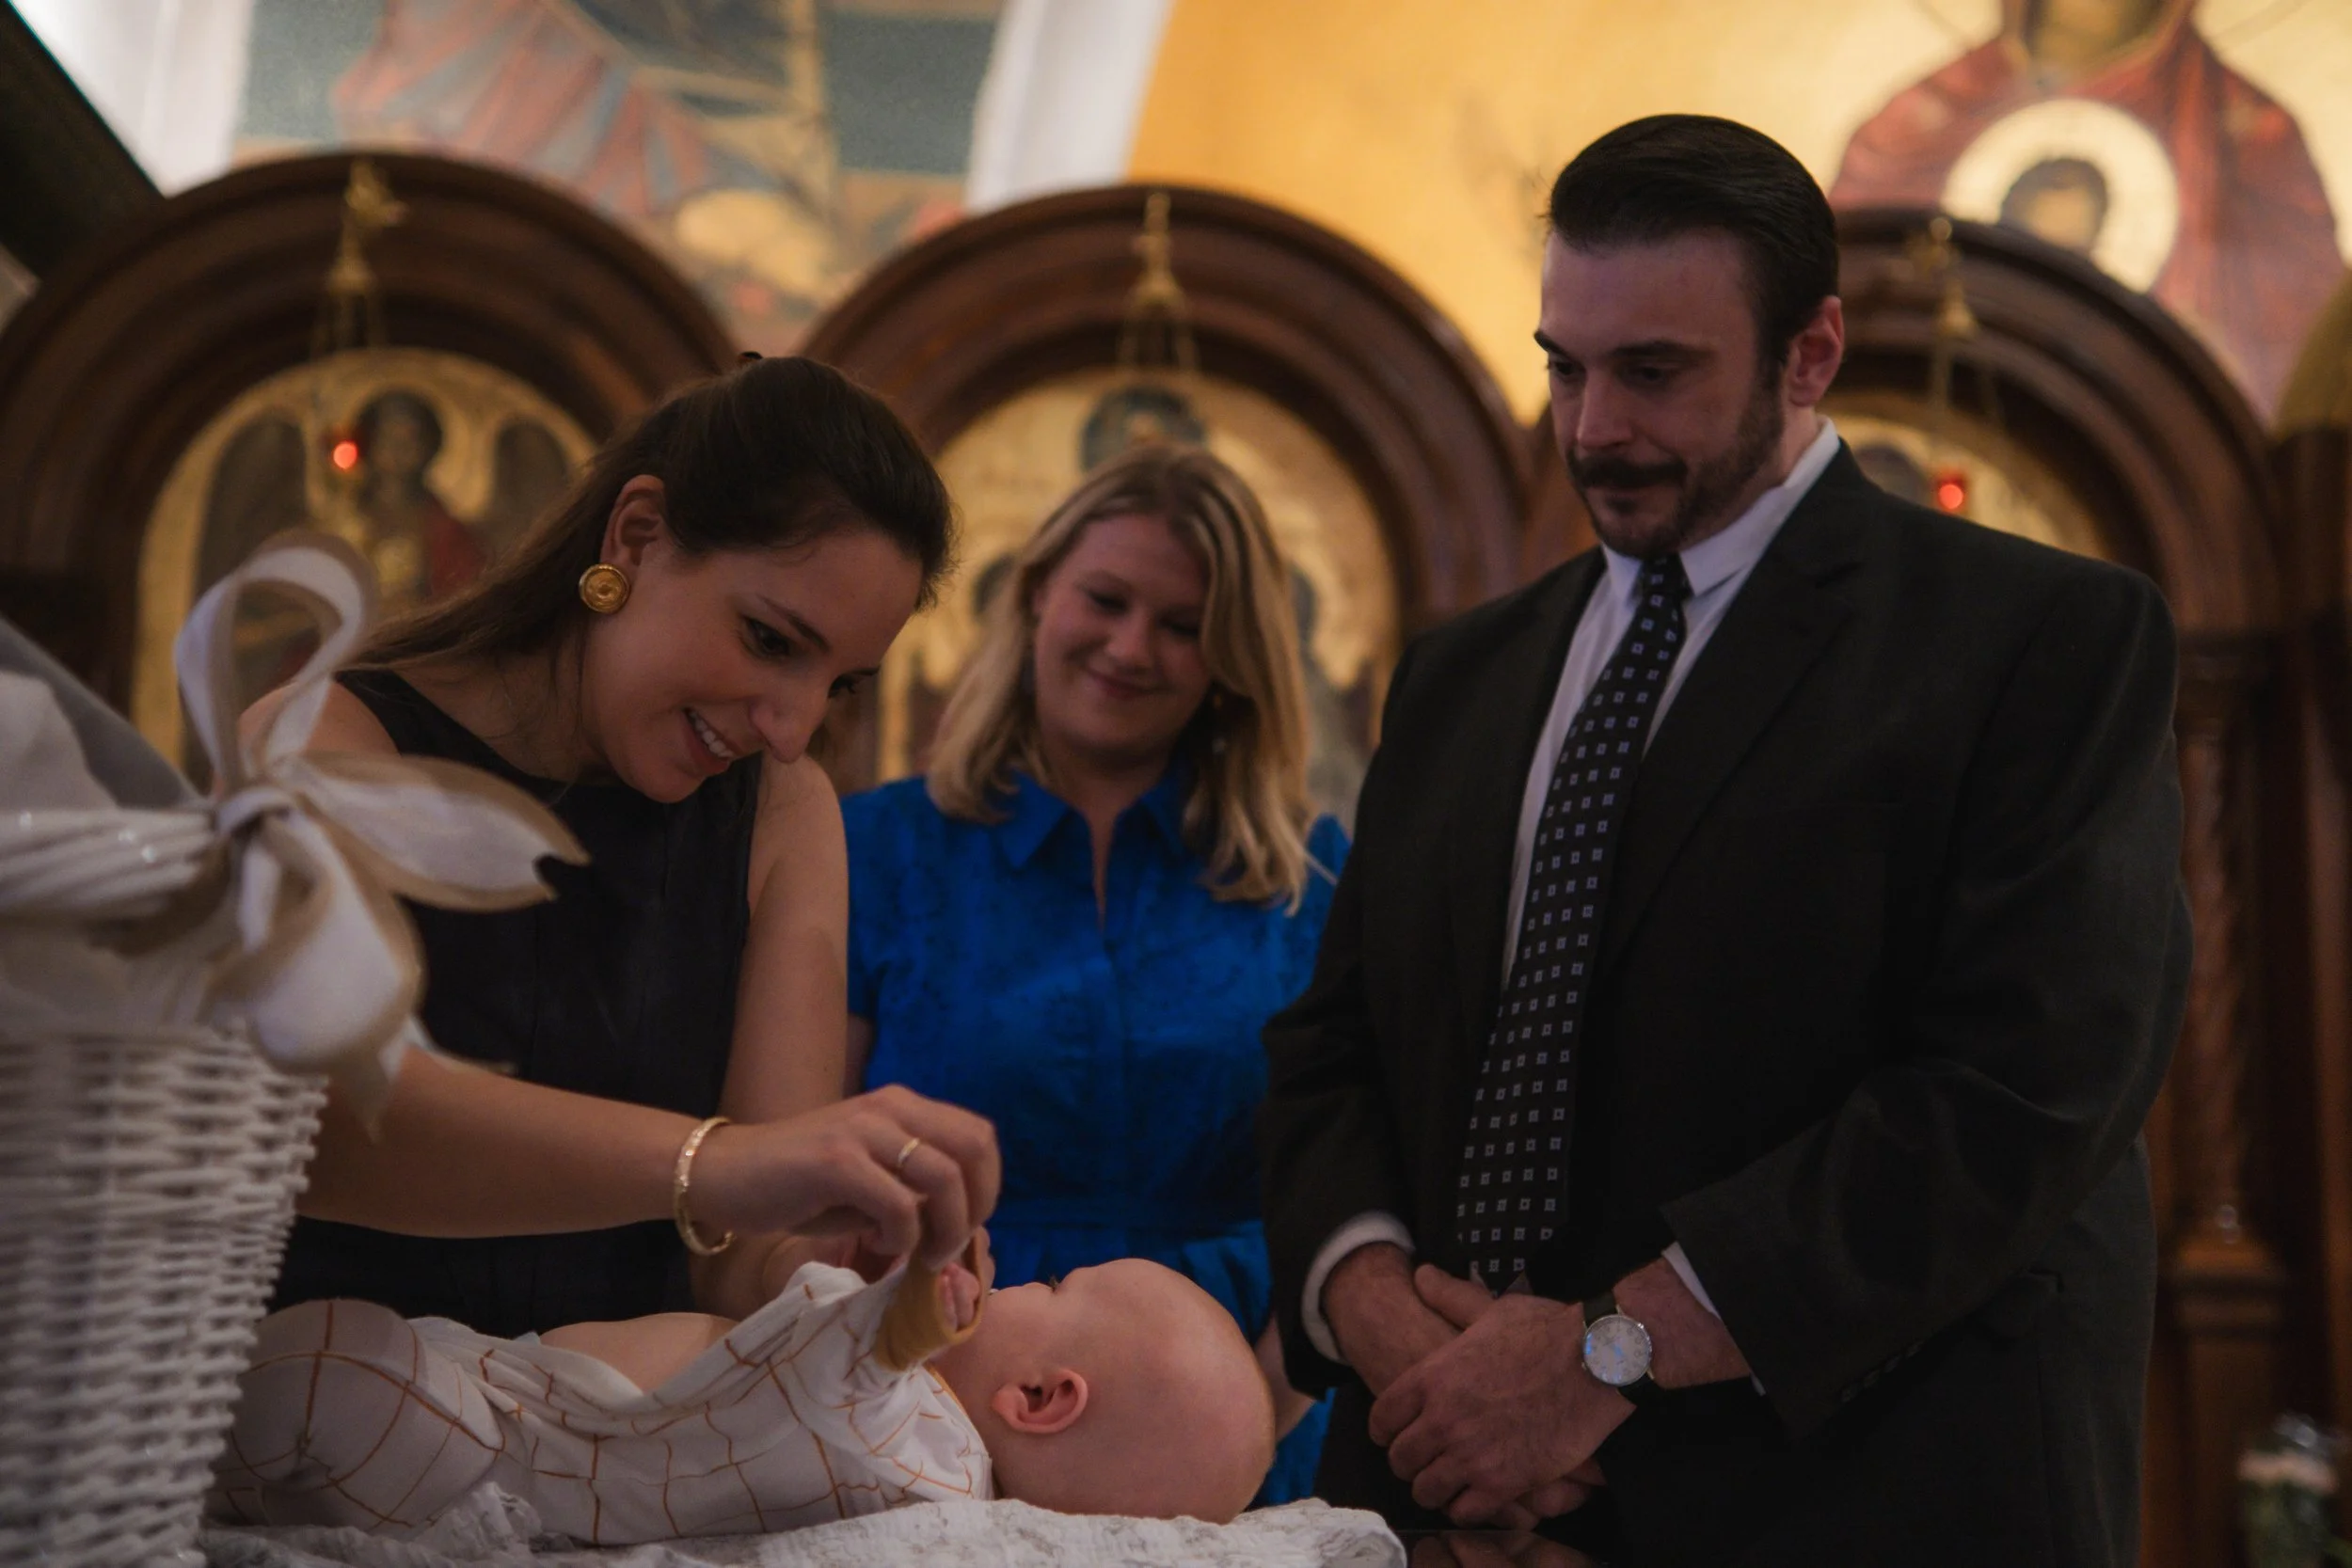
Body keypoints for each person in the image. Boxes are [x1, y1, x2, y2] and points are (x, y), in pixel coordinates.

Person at [1260, 115, 2188, 1565]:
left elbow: (2023, 1087)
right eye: (1566, 363)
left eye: (1654, 372)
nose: (1591, 427)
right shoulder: (1466, 676)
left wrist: (1600, 1355)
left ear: (1808, 353)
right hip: (1451, 1489)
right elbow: (1335, 1050)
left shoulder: (2035, 638)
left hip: (1854, 1489)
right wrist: (1391, 1328)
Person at [262, 355, 1000, 1339]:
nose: (791, 725)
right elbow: (315, 1122)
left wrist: (847, 1265)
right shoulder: (330, 737)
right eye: (773, 640)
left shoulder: (782, 810)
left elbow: (744, 1262)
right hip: (310, 1415)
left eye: (840, 683)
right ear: (638, 536)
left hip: (608, 1445)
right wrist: (721, 1164)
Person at [842, 443, 1347, 1503]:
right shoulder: (878, 850)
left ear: (1232, 659)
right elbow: (803, 1146)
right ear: (1035, 596)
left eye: (1181, 626)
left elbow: (1355, 1172)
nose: (1131, 646)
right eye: (1106, 600)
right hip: (935, 1393)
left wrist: (1250, 1420)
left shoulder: (1313, 877)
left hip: (1253, 1394)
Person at [212, 1240, 1276, 1540]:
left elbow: (833, 1370)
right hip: (493, 1404)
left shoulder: (921, 1433)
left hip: (491, 1454)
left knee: (331, 1367)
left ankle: (163, 1461)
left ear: (1041, 1395)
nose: (1029, 1274)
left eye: (1054, 1281)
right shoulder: (931, 1458)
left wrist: (912, 1307)